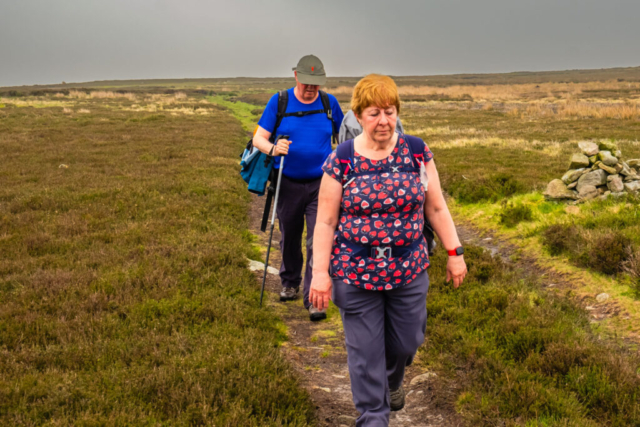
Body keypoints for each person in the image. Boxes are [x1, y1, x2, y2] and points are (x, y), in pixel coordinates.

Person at [309, 74, 467, 426]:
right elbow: (325, 222)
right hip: (355, 274)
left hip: (408, 271)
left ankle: (393, 380)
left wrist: (454, 253)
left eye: (390, 112)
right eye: (374, 113)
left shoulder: (416, 151)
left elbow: (437, 208)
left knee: (407, 342)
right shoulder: (342, 159)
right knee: (366, 355)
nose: (383, 121)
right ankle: (373, 416)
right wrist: (320, 273)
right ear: (359, 116)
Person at [252, 55, 344, 321]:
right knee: (289, 235)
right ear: (296, 77)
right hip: (287, 182)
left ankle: (313, 298)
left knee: (318, 239)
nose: (310, 88)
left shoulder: (329, 103)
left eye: (315, 84)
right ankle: (289, 282)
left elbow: (346, 137)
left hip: (322, 184)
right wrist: (273, 148)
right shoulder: (279, 101)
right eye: (306, 83)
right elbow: (258, 137)